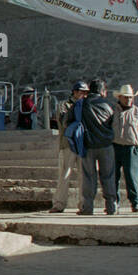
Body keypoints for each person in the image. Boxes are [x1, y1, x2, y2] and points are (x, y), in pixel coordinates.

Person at [77, 77, 119, 215]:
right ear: (102, 90)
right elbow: (116, 125)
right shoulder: (109, 105)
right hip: (106, 146)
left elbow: (67, 122)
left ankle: (88, 207)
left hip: (87, 146)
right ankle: (112, 206)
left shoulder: (80, 104)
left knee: (89, 176)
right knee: (108, 176)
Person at [49, 81, 88, 213]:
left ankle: (84, 204)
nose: (84, 95)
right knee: (64, 174)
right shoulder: (64, 105)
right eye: (82, 92)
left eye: (86, 93)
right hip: (68, 144)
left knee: (83, 175)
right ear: (75, 92)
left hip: (82, 144)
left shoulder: (86, 106)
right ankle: (59, 204)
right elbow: (64, 122)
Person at [112, 83, 138, 212]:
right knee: (114, 177)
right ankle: (114, 202)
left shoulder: (137, 112)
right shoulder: (113, 111)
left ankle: (135, 203)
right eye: (126, 97)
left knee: (132, 177)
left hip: (131, 148)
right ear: (120, 97)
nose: (128, 99)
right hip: (115, 147)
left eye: (130, 97)